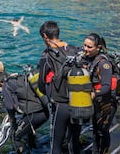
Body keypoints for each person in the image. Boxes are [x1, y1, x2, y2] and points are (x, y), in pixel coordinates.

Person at [37, 20, 81, 154]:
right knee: (74, 141)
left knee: (56, 144)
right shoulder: (74, 49)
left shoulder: (47, 55)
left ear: (45, 36)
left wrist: (50, 95)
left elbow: (41, 84)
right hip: (79, 101)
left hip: (60, 104)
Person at [82, 33, 117, 154]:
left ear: (98, 47)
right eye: (84, 45)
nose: (85, 49)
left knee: (102, 131)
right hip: (96, 103)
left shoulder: (104, 64)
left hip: (106, 104)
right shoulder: (88, 59)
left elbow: (107, 86)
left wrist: (94, 94)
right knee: (95, 130)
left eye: (89, 47)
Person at [2, 66, 49, 153]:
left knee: (15, 136)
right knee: (28, 130)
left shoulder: (6, 85)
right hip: (45, 112)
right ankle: (35, 148)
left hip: (34, 115)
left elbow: (10, 107)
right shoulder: (21, 78)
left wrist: (13, 121)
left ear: (0, 83)